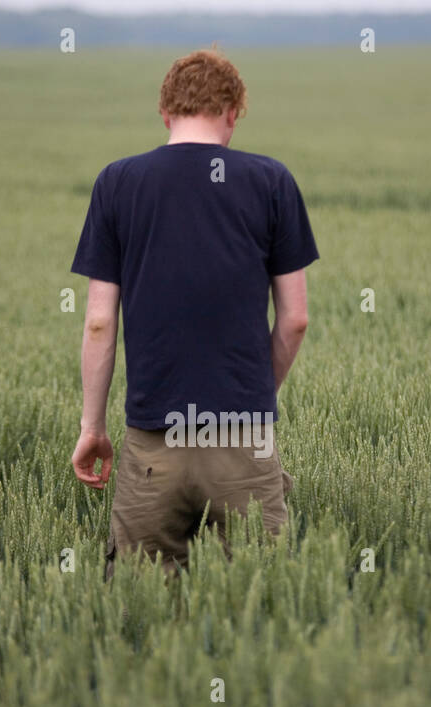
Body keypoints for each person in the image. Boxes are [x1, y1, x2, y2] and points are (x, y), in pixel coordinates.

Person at [70, 49, 319, 577]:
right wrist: (251, 395)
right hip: (242, 438)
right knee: (262, 607)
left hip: (153, 446)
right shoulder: (271, 181)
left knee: (144, 617)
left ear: (165, 113)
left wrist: (93, 427)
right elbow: (295, 320)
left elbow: (98, 323)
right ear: (232, 111)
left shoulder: (117, 182)